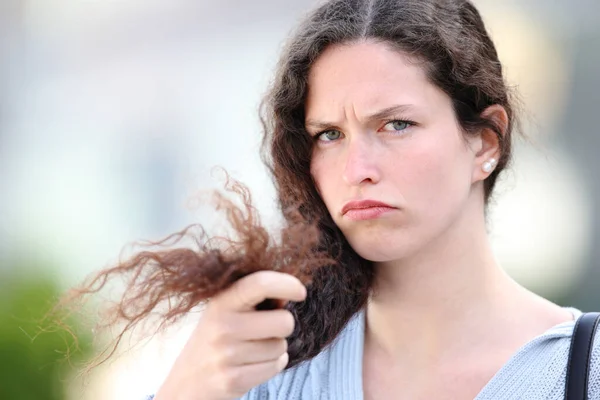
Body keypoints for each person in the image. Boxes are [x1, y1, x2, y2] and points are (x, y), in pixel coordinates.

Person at [70, 0, 598, 399]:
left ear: (485, 142)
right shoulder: (265, 371)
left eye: (396, 124)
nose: (357, 170)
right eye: (329, 134)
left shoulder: (583, 369)